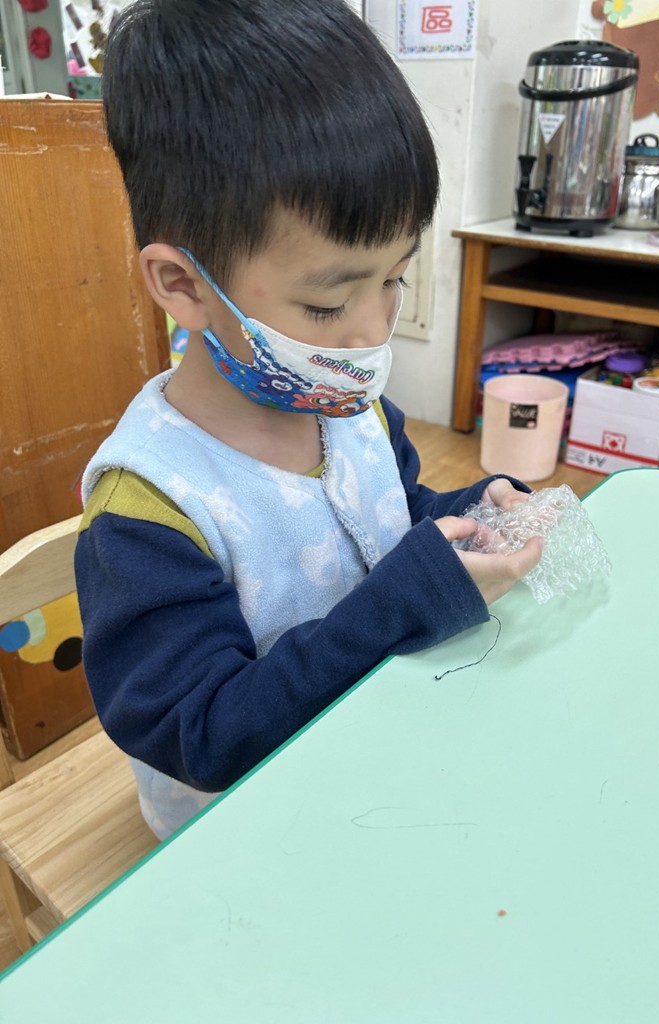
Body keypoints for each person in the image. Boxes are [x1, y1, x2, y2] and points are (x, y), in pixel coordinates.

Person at [75, 0, 542, 840]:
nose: (371, 332)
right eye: (328, 303)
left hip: (369, 749)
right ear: (183, 285)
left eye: (394, 279)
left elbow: (392, 516)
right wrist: (403, 604)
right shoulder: (149, 512)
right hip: (247, 826)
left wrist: (469, 516)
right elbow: (204, 735)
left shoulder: (347, 409)